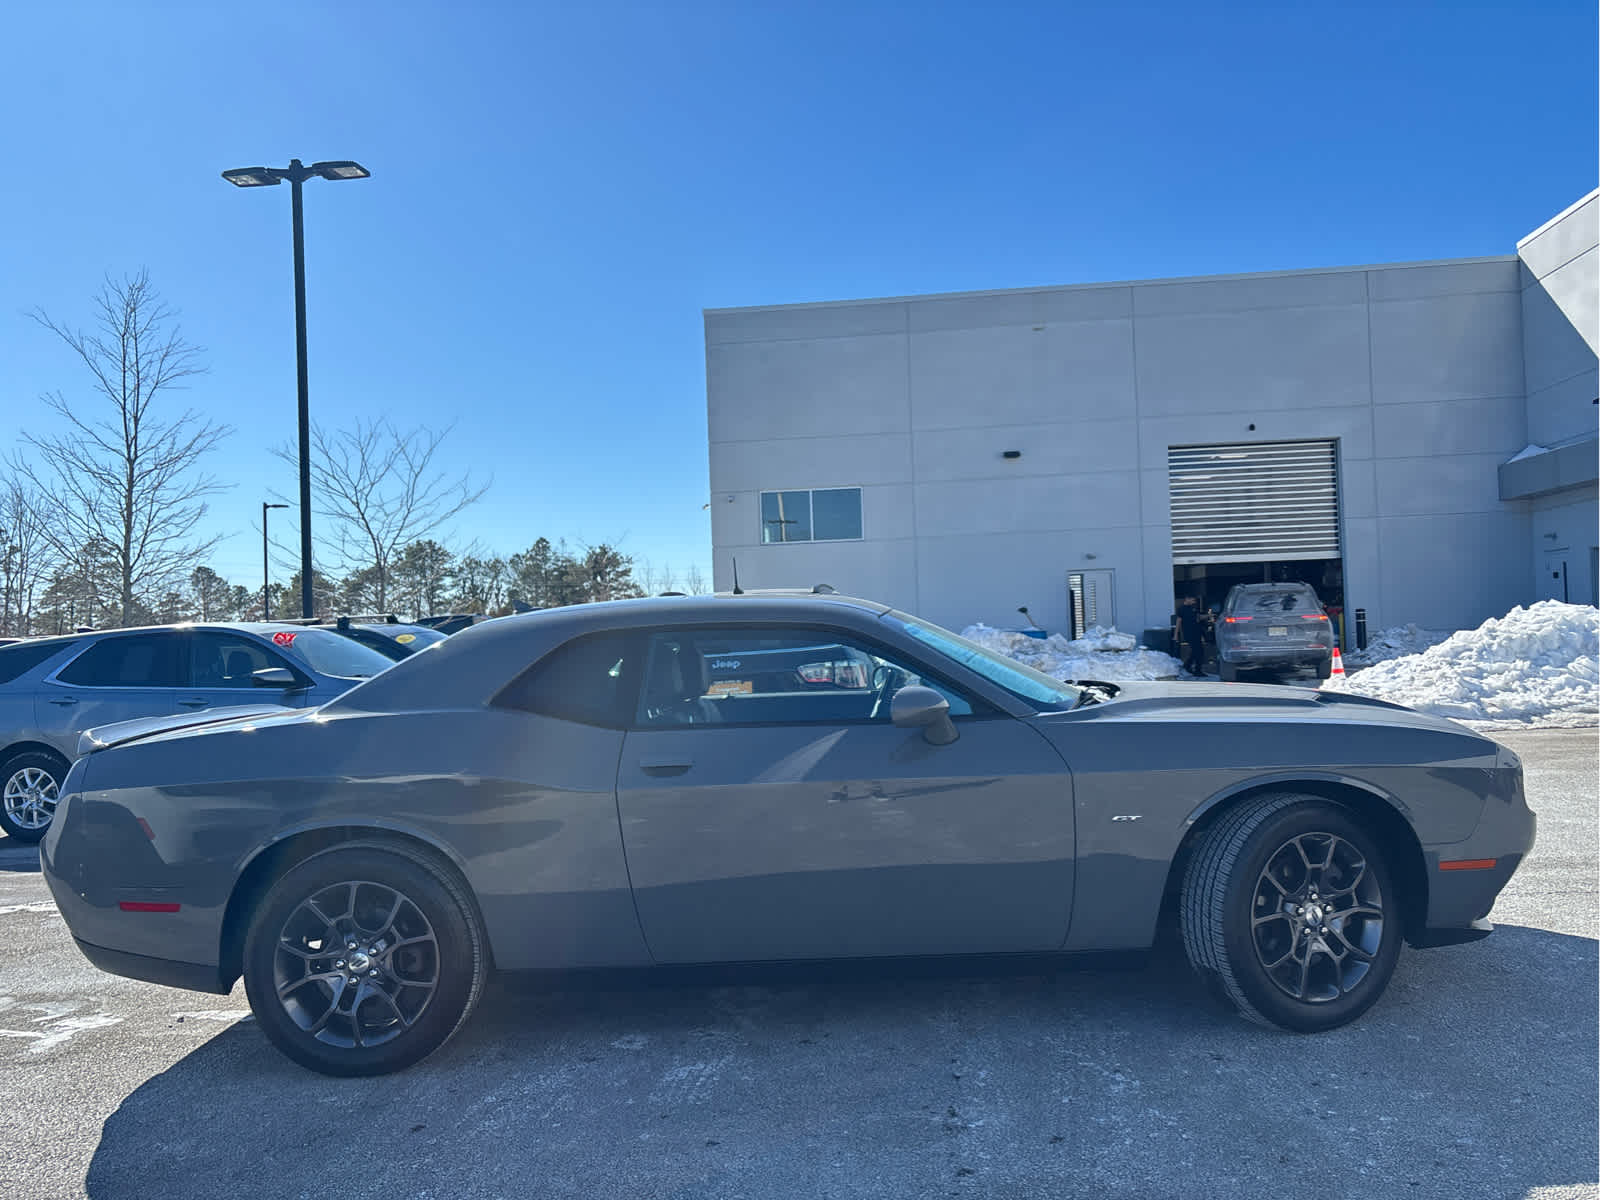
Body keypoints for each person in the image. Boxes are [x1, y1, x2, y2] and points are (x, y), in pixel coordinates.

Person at [1177, 595, 1206, 676]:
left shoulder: (1193, 608)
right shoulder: (1181, 609)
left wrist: (1208, 616)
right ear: (1187, 599)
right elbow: (1178, 622)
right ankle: (1197, 670)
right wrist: (1176, 635)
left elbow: (1198, 617)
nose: (1194, 602)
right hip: (1189, 633)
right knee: (1198, 651)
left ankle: (1188, 665)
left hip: (1197, 632)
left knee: (1197, 651)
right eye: (1193, 600)